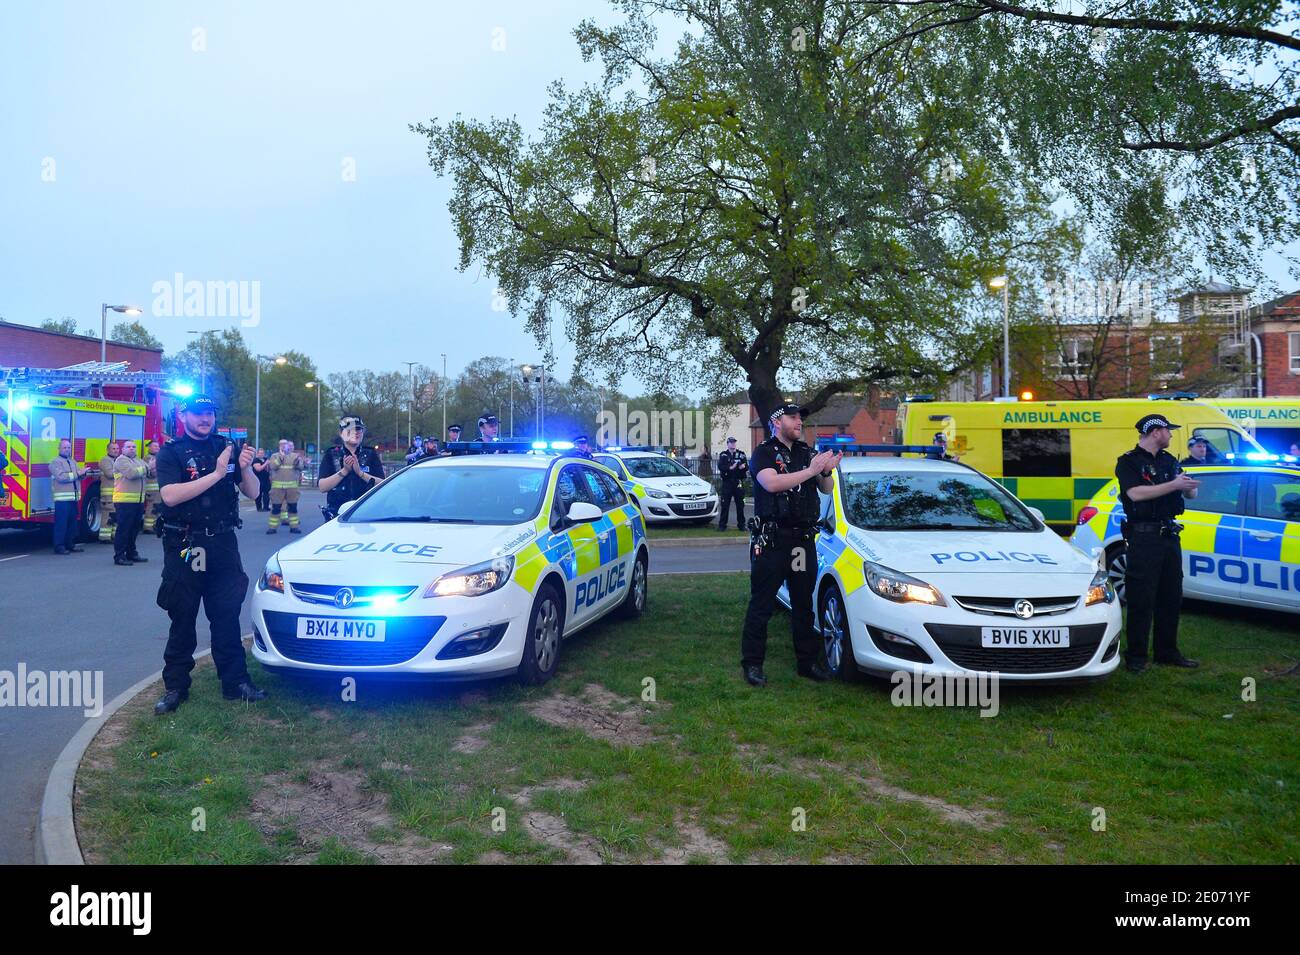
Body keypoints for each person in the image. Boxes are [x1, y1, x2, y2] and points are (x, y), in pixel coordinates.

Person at [153, 394, 266, 714]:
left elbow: (253, 492)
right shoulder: (172, 452)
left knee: (226, 613)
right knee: (183, 613)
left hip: (221, 542)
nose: (205, 419)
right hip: (188, 544)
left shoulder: (224, 446)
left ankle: (236, 682)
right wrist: (216, 474)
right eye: (199, 413)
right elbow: (170, 496)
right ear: (184, 416)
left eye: (211, 414)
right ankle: (176, 686)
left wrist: (243, 469)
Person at [740, 404, 840, 686]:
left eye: (801, 418)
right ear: (776, 422)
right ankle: (752, 664)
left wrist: (825, 472)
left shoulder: (806, 452)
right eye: (793, 417)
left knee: (803, 603)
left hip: (801, 541)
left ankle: (806, 663)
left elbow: (826, 489)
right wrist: (811, 471)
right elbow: (771, 484)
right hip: (773, 540)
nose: (799, 422)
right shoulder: (764, 452)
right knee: (762, 605)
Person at [1116, 414, 1202, 674]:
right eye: (1168, 430)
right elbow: (1135, 494)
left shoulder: (1169, 460)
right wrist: (1173, 484)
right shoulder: (1128, 462)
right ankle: (1137, 657)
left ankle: (1167, 652)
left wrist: (1186, 487)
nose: (1172, 435)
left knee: (1171, 596)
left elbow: (1190, 493)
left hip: (1169, 535)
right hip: (1144, 536)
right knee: (1141, 598)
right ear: (1155, 432)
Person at [318, 415, 385, 519]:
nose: (356, 433)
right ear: (341, 433)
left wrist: (360, 473)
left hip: (366, 514)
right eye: (350, 430)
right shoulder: (331, 454)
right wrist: (344, 471)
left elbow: (382, 484)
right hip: (337, 515)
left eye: (359, 429)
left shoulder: (371, 454)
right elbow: (322, 487)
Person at [112, 440, 149, 566]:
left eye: (134, 447)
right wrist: (148, 467)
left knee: (134, 529)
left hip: (137, 501)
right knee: (124, 529)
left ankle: (131, 553)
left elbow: (151, 473)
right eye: (128, 447)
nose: (132, 449)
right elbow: (131, 473)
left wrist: (151, 467)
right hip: (124, 501)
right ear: (123, 449)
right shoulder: (121, 460)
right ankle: (119, 556)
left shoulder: (139, 461)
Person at [49, 438, 86, 554]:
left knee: (72, 523)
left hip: (73, 498)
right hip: (62, 499)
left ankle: (70, 544)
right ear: (59, 448)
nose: (67, 450)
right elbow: (61, 477)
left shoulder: (72, 461)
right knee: (61, 523)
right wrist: (77, 474)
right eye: (64, 447)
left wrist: (83, 474)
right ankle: (59, 546)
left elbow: (78, 475)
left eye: (69, 447)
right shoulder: (55, 462)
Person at [266, 438, 307, 534]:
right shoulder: (274, 456)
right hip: (277, 488)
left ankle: (294, 527)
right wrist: (281, 457)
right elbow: (273, 467)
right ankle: (272, 528)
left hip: (292, 487)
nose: (284, 447)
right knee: (276, 508)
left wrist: (298, 462)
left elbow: (300, 467)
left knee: (293, 507)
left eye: (286, 445)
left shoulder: (295, 456)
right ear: (279, 446)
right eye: (282, 445)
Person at [716, 436, 748, 531]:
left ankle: (741, 525)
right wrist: (730, 468)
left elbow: (746, 465)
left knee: (740, 505)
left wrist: (743, 467)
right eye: (731, 442)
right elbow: (721, 466)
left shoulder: (741, 454)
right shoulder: (724, 455)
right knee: (725, 504)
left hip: (738, 482)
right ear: (727, 444)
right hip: (727, 482)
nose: (733, 444)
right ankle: (722, 526)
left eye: (734, 442)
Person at [97, 440, 120, 543]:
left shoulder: (118, 460)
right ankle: (104, 537)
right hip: (108, 494)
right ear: (108, 450)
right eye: (113, 448)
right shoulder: (105, 460)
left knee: (116, 515)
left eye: (117, 449)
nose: (116, 450)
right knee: (108, 515)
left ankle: (114, 535)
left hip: (117, 493)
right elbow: (110, 474)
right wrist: (125, 472)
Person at [142, 440, 162, 533]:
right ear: (149, 447)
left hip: (156, 488)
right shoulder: (148, 458)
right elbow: (152, 472)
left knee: (156, 507)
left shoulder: (155, 457)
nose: (157, 448)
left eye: (158, 446)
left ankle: (152, 525)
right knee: (152, 507)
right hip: (151, 488)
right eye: (155, 446)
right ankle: (148, 527)